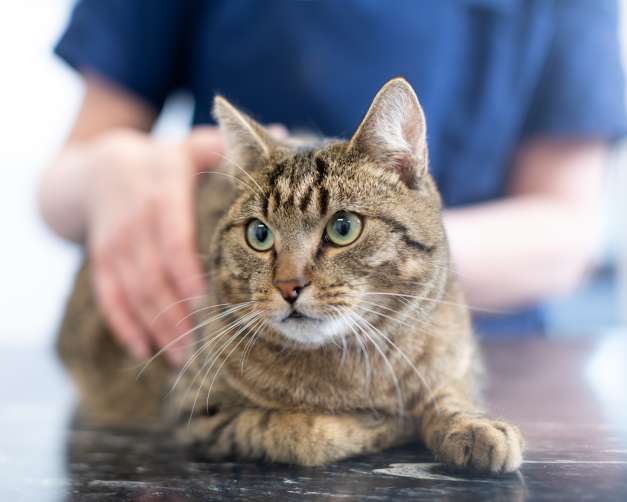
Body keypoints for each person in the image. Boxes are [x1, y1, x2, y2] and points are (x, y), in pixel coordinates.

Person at [40, 0, 627, 365]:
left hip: (481, 353)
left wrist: (377, 269)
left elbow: (567, 228)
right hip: (224, 341)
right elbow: (57, 190)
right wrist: (106, 167)